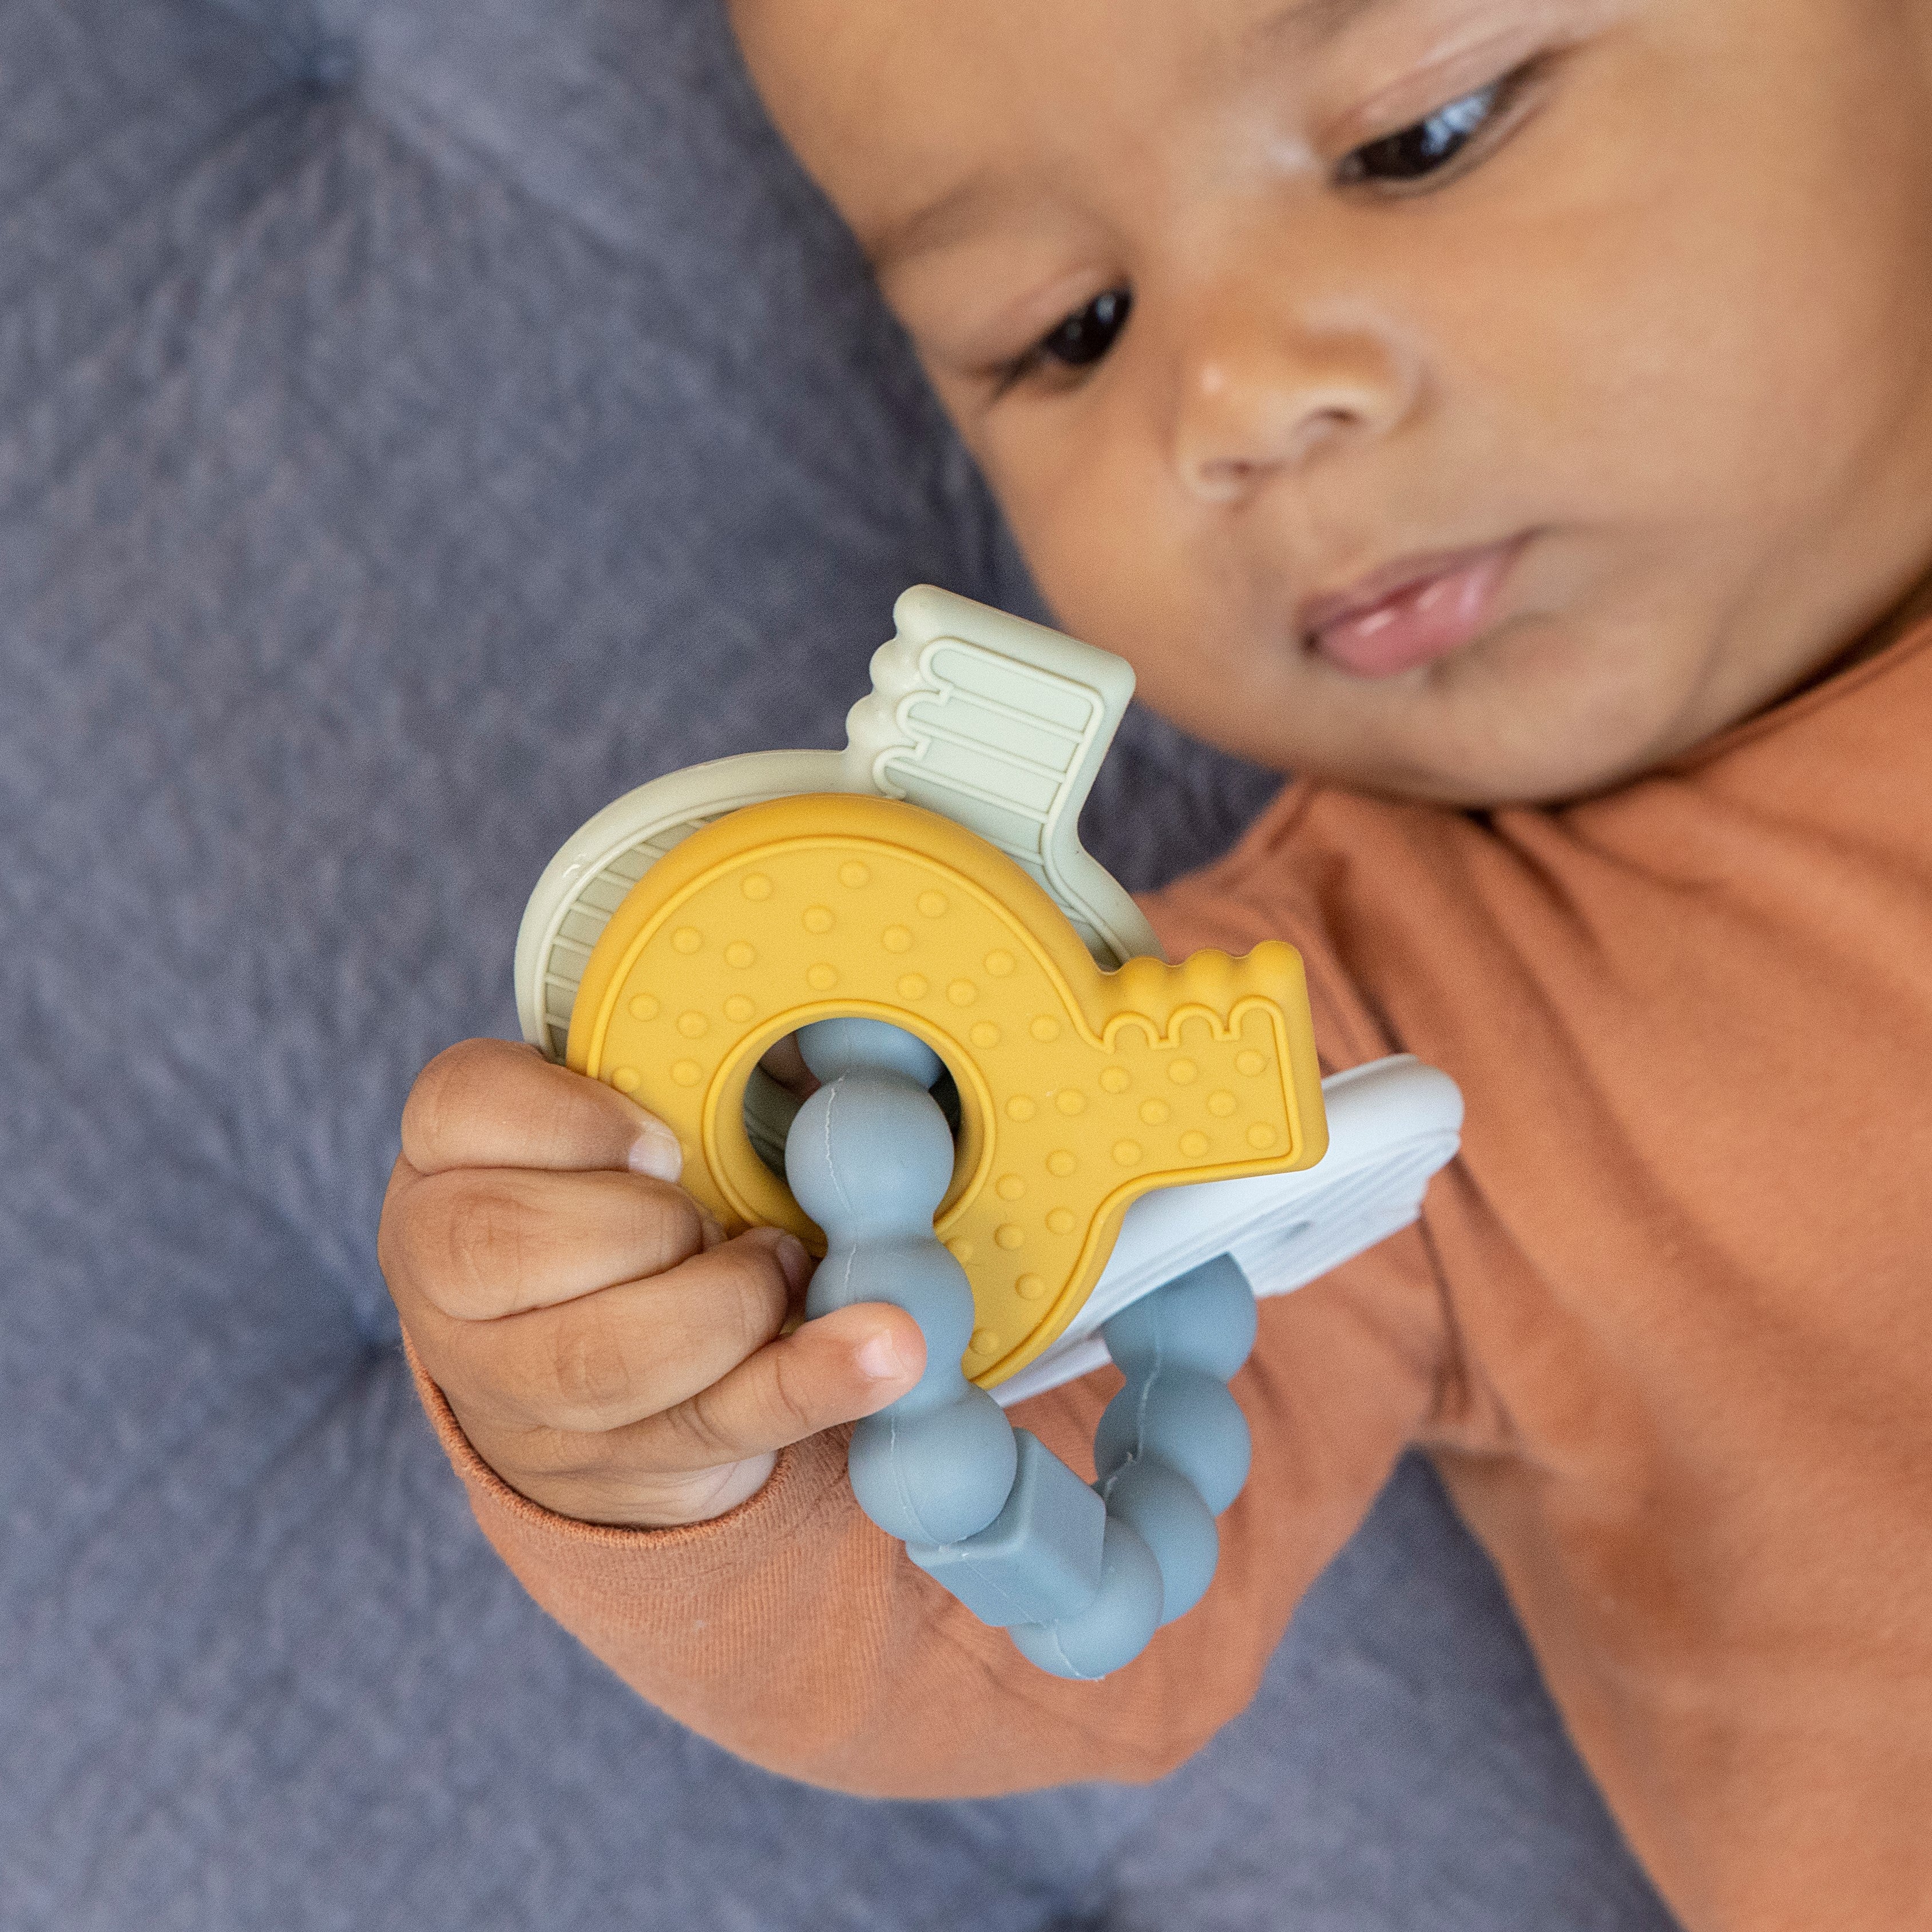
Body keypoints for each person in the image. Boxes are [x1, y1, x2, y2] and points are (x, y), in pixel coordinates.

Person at [376, 1, 1932, 1922]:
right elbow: (1040, 1614)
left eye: (1419, 137)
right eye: (1067, 330)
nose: (1228, 409)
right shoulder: (1290, 1044)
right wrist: (677, 1420)